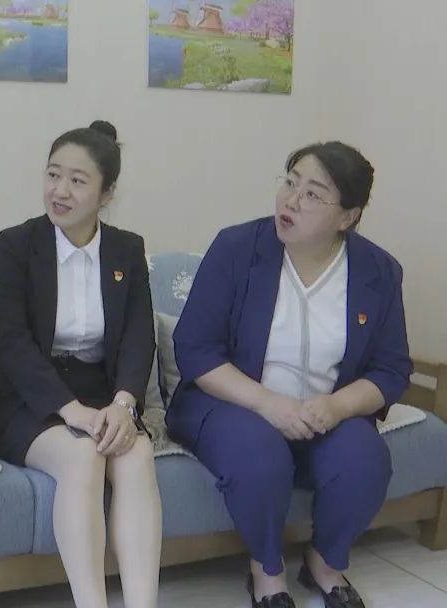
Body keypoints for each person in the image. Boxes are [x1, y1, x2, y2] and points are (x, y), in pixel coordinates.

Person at [166, 142, 410, 608]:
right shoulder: (237, 248)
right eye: (290, 182)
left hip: (322, 410)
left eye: (313, 193)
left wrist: (337, 406)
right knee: (260, 457)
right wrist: (269, 404)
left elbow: (392, 367)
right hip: (235, 402)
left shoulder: (378, 271)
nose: (291, 200)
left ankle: (325, 563)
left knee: (365, 461)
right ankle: (267, 572)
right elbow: (195, 348)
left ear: (347, 216)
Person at [0, 122, 161, 608]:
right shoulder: (17, 245)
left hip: (100, 391)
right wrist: (70, 411)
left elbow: (138, 336)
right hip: (19, 395)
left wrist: (124, 404)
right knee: (82, 455)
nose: (60, 190)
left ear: (107, 193)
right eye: (53, 175)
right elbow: (10, 341)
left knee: (135, 456)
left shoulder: (127, 249)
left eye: (77, 180)